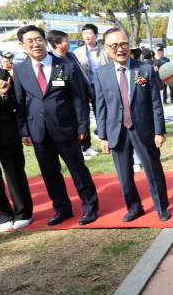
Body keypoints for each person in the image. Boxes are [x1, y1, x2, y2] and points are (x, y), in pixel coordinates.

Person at [13, 25, 99, 226]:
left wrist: (82, 126)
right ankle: (62, 209)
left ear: (45, 41)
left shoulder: (66, 65)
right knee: (50, 174)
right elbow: (21, 101)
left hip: (67, 128)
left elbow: (78, 98)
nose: (36, 44)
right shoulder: (20, 69)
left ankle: (90, 207)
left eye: (39, 39)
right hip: (39, 132)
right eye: (30, 41)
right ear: (22, 45)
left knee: (78, 170)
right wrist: (24, 130)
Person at [95, 28, 171, 222]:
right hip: (116, 131)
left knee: (153, 170)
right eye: (114, 45)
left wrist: (159, 131)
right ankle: (134, 207)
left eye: (124, 44)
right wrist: (103, 136)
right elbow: (101, 106)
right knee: (124, 175)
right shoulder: (101, 73)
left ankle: (161, 206)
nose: (120, 49)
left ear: (130, 45)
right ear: (107, 48)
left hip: (143, 129)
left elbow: (156, 102)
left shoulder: (144, 69)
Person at [0, 66, 33, 232]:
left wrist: (3, 95)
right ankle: (3, 215)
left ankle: (23, 213)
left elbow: (15, 103)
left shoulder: (1, 74)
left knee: (15, 174)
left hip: (7, 133)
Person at [47, 29, 97, 159]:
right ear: (57, 43)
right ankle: (79, 148)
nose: (68, 43)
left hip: (81, 94)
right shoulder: (51, 60)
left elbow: (81, 74)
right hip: (67, 99)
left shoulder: (71, 55)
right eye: (66, 40)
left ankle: (86, 146)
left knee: (83, 120)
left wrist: (88, 91)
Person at [73, 24, 112, 138]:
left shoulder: (106, 49)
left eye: (89, 33)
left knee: (102, 112)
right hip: (86, 87)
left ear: (96, 35)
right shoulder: (77, 52)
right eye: (84, 34)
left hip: (103, 86)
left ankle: (104, 135)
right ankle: (86, 145)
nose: (86, 36)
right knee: (84, 115)